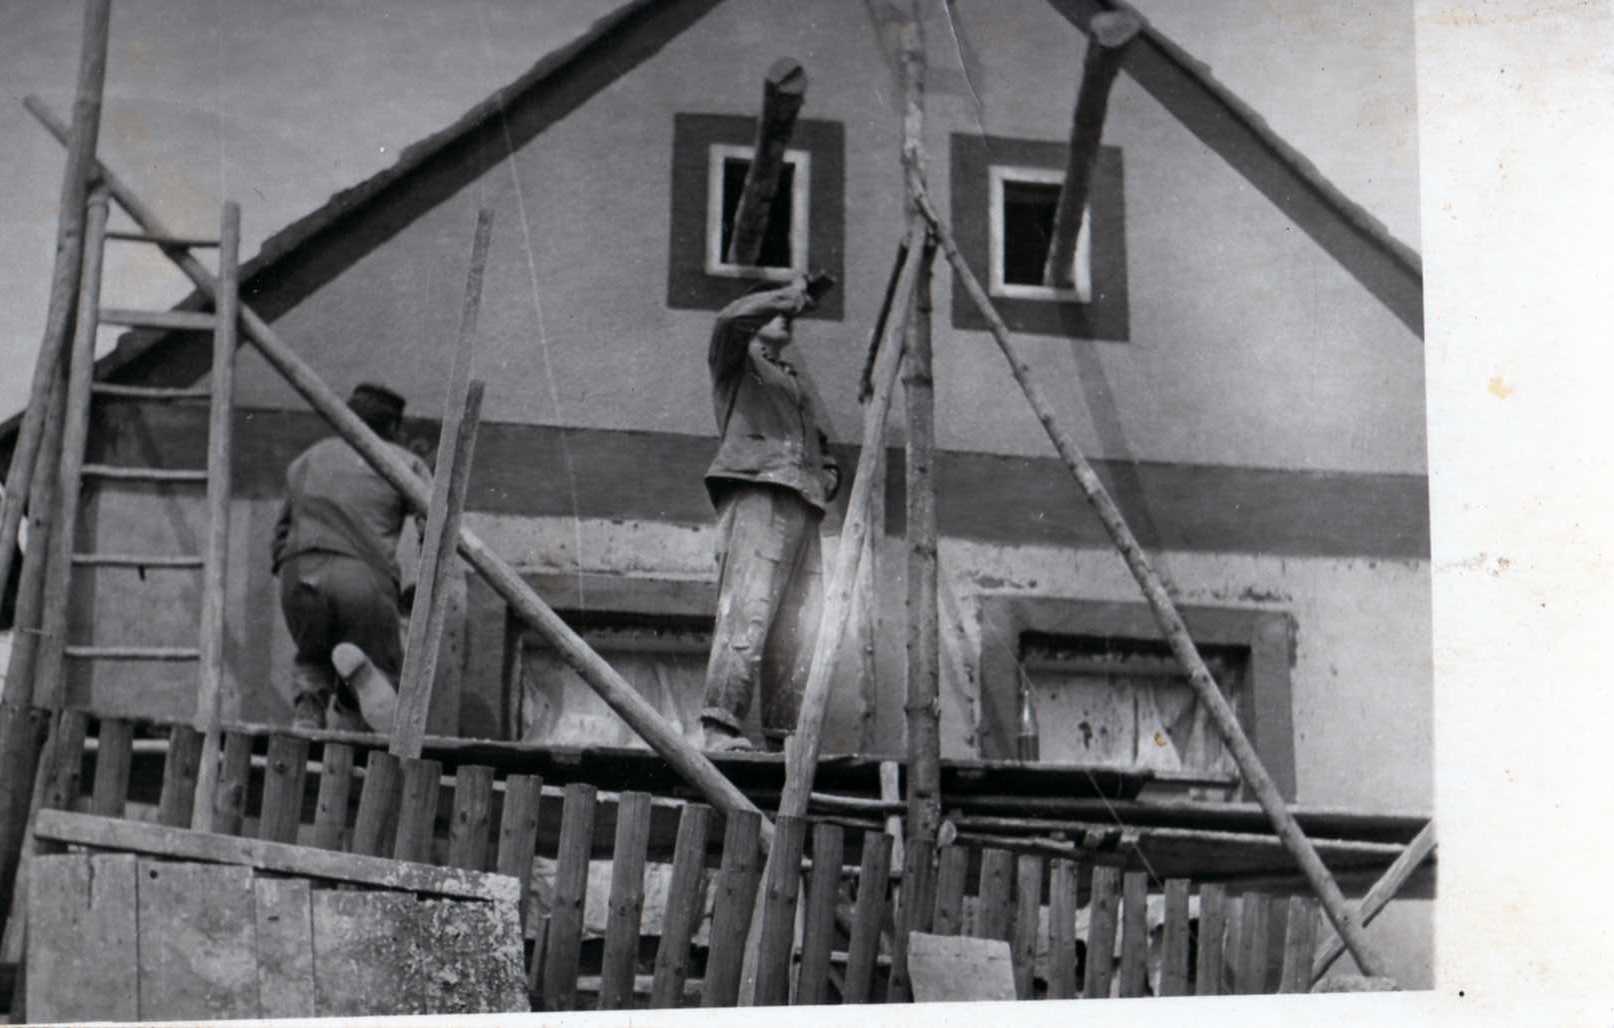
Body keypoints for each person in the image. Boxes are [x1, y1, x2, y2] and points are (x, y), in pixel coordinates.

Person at [700, 274, 840, 752]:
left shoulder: (793, 382)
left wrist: (828, 474)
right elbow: (730, 319)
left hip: (804, 502)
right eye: (774, 309)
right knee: (748, 605)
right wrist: (790, 295)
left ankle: (785, 741)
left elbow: (820, 445)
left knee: (798, 625)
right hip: (758, 491)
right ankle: (719, 726)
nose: (786, 317)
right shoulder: (735, 360)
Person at [271, 383, 429, 731]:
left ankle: (309, 710)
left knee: (312, 656)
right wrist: (419, 586)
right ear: (393, 427)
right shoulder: (404, 463)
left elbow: (280, 535)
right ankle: (355, 716)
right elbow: (433, 526)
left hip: (299, 572)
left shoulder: (307, 459)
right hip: (362, 577)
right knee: (376, 671)